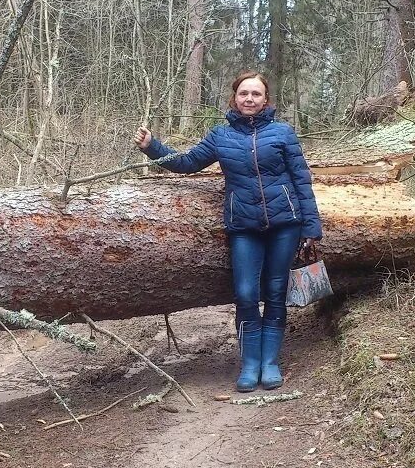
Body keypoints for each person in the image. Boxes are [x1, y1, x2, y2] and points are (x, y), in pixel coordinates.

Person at [134, 72, 323, 392]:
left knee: (276, 291)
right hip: (243, 227)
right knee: (247, 293)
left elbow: (301, 179)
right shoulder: (220, 136)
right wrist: (153, 147)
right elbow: (188, 162)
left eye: (257, 94)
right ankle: (249, 364)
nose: (250, 99)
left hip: (285, 224)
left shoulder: (283, 133)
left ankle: (270, 363)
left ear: (267, 100)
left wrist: (311, 225)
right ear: (234, 97)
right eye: (244, 93)